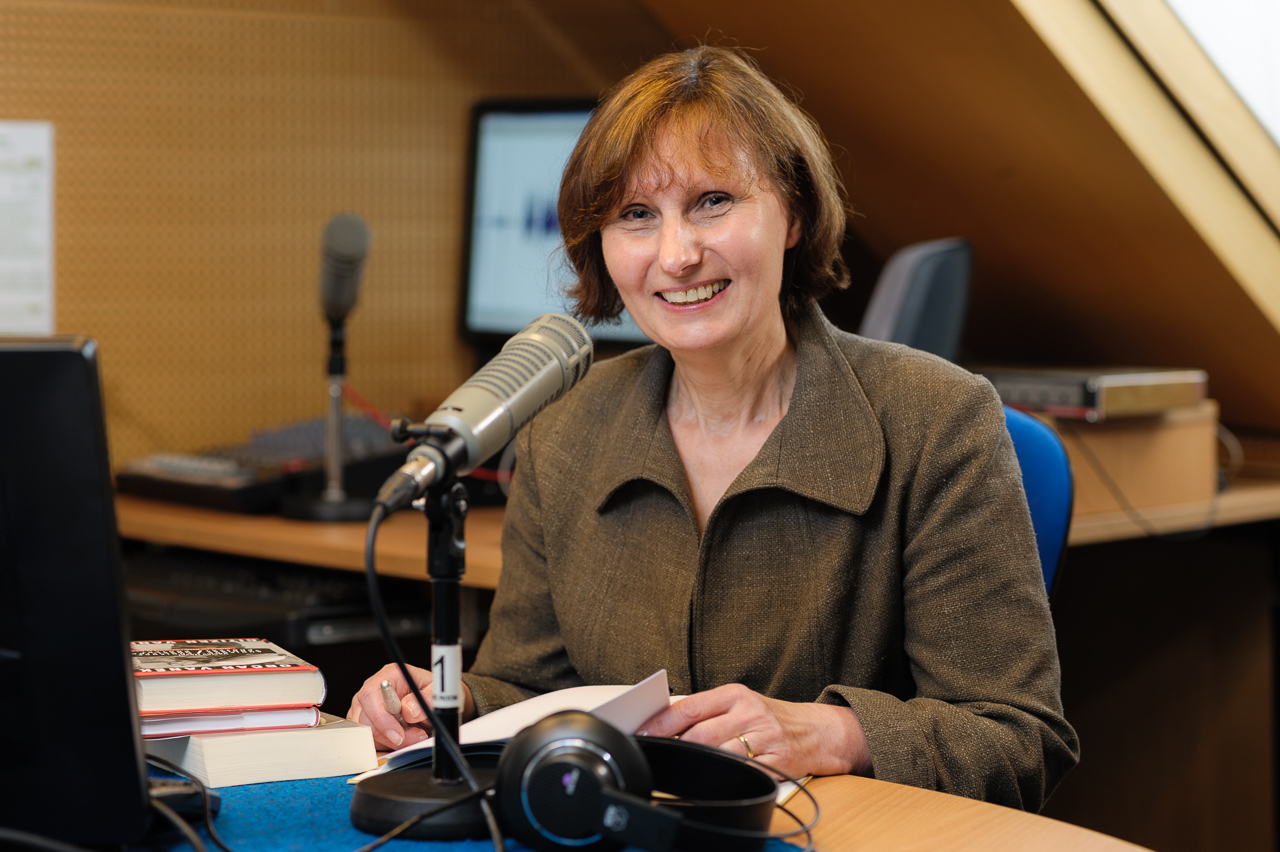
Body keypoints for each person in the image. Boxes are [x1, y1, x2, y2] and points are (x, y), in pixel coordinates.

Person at [349, 44, 1079, 811]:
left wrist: (839, 733)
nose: (677, 255)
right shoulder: (562, 431)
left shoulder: (938, 419)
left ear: (794, 213)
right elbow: (533, 687)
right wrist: (449, 705)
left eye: (713, 202)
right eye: (637, 216)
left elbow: (1018, 738)